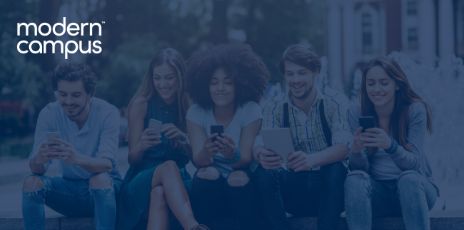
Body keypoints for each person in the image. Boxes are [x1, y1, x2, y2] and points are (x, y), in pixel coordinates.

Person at [253, 44, 351, 230]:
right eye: (290, 74)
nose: (295, 80)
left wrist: (311, 160)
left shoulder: (335, 101)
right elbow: (259, 142)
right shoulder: (274, 106)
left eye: (302, 73)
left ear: (316, 72)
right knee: (263, 173)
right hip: (293, 188)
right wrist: (261, 154)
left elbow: (344, 147)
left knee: (336, 168)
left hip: (328, 191)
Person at [22, 63, 121, 230]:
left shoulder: (108, 113)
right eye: (62, 95)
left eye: (76, 95)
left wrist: (76, 158)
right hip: (70, 188)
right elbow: (37, 169)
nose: (68, 101)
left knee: (100, 179)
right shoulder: (49, 113)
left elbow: (106, 164)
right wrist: (39, 159)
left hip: (105, 191)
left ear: (90, 94)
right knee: (31, 183)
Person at [344, 57, 439, 230]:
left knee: (408, 179)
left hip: (417, 192)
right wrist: (357, 152)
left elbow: (415, 164)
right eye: (371, 83)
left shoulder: (414, 110)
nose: (377, 89)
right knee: (354, 179)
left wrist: (391, 146)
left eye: (384, 83)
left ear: (396, 84)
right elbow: (360, 169)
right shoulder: (356, 112)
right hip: (379, 193)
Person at [117, 48, 207, 230]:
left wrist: (184, 140)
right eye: (157, 78)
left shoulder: (189, 107)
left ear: (180, 77)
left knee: (159, 193)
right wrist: (141, 145)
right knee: (168, 167)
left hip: (177, 183)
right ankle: (193, 227)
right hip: (141, 180)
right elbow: (132, 159)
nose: (162, 84)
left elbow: (199, 161)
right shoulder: (140, 104)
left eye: (169, 78)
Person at [186, 44, 268, 230]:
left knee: (237, 177)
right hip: (210, 177)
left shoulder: (250, 110)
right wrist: (207, 151)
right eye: (214, 82)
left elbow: (246, 159)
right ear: (205, 85)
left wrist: (232, 154)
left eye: (228, 82)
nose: (220, 88)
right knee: (208, 173)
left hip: (241, 175)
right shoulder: (196, 112)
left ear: (239, 84)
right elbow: (199, 161)